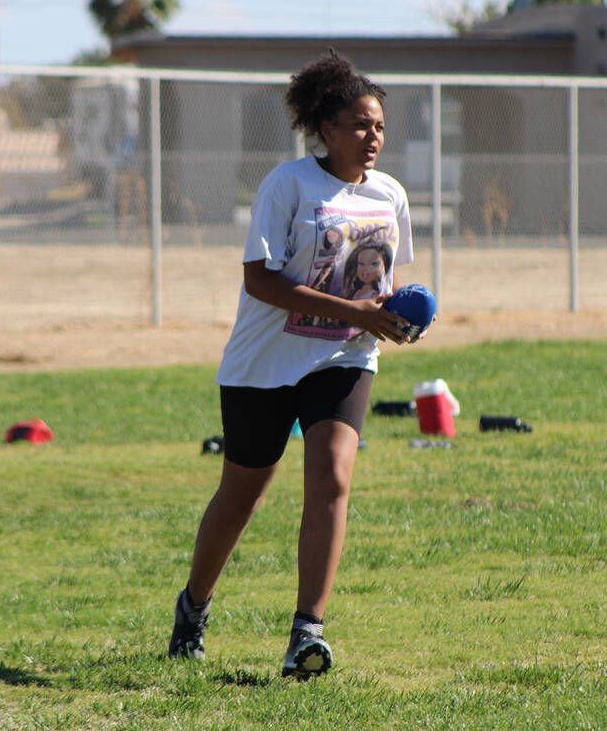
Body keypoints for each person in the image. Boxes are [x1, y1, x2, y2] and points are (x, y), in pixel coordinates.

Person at [167, 49, 427, 678]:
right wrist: (357, 310)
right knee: (242, 493)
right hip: (266, 361)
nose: (374, 137)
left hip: (344, 354)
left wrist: (392, 315)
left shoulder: (390, 196)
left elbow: (382, 284)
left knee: (333, 475)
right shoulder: (288, 184)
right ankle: (192, 609)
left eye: (381, 127)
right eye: (362, 124)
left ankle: (306, 633)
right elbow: (260, 281)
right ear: (326, 127)